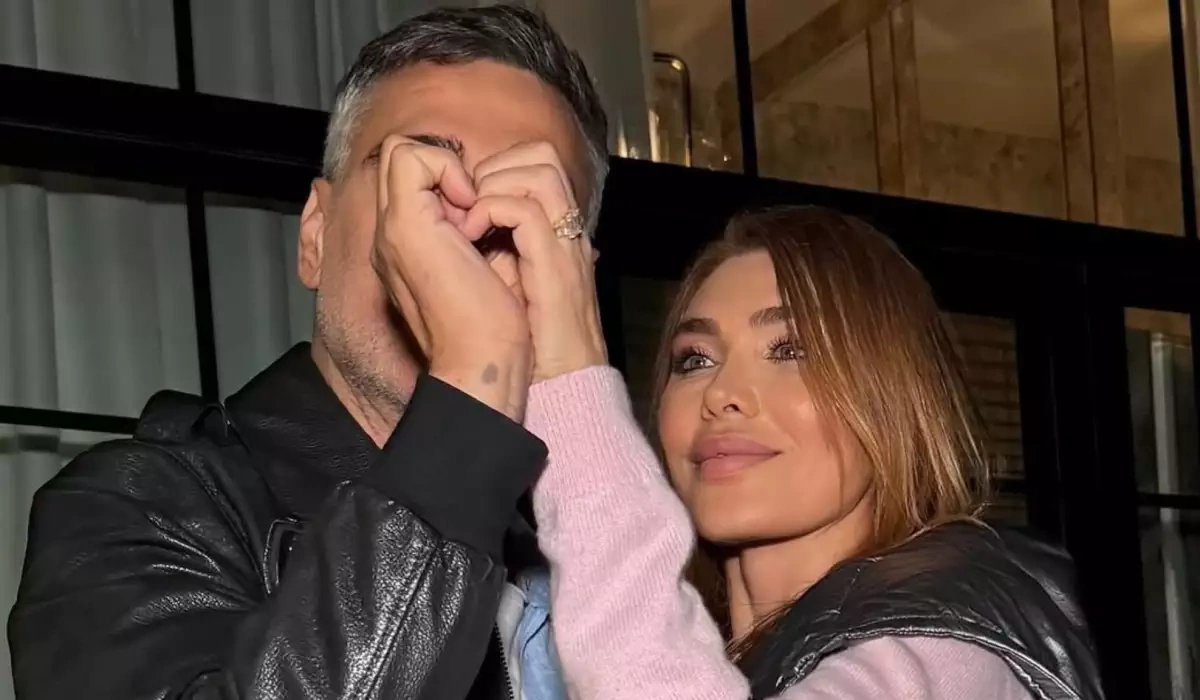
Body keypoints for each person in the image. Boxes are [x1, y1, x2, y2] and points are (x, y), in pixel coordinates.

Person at [8, 5, 606, 699]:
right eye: (424, 180)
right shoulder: (134, 507)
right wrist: (477, 381)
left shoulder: (602, 558)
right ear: (317, 234)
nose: (469, 229)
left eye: (524, 202)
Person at [519, 207, 1105, 698]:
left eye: (790, 349)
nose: (722, 393)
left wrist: (569, 376)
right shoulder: (707, 649)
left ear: (896, 396)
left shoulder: (948, 654)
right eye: (695, 359)